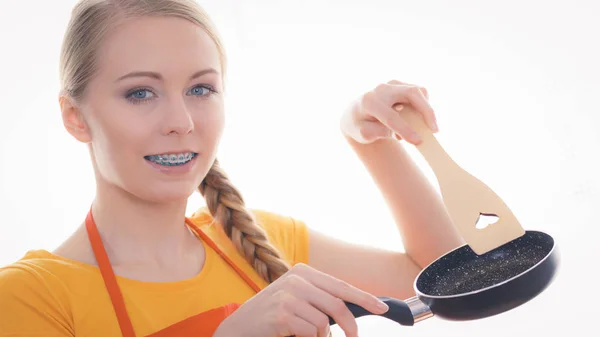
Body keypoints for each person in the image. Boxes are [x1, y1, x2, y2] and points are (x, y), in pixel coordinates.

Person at [0, 0, 464, 336]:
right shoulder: (31, 298)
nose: (181, 123)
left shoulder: (264, 244)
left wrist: (369, 140)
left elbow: (450, 278)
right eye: (140, 93)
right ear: (74, 116)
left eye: (200, 89)